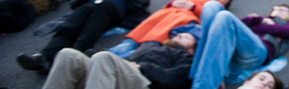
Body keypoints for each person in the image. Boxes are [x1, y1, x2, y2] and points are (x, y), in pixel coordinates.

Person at [16, 0, 150, 72]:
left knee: (100, 11)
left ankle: (76, 54)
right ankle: (44, 58)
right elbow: (73, 3)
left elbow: (144, 0)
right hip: (89, 8)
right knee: (70, 26)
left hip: (112, 11)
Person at [189, 1, 289, 89]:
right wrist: (261, 20)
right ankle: (195, 77)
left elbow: (286, 32)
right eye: (276, 7)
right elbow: (234, 23)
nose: (279, 9)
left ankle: (203, 86)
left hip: (258, 51)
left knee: (225, 17)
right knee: (211, 5)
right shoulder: (260, 19)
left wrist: (256, 24)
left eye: (284, 9)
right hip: (233, 48)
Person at [107, 0, 232, 58]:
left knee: (148, 44)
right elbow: (168, 5)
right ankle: (103, 59)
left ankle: (112, 63)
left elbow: (210, 16)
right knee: (130, 42)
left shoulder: (216, 5)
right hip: (163, 16)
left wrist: (193, 7)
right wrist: (173, 3)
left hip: (179, 19)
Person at [41, 42, 194, 89]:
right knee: (68, 54)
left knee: (104, 57)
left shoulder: (185, 58)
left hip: (144, 83)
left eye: (187, 34)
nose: (180, 33)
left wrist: (142, 67)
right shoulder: (146, 46)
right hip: (111, 79)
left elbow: (177, 79)